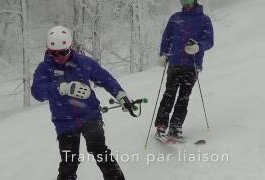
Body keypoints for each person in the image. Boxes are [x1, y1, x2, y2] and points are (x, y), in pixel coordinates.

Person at [31, 26, 132, 180]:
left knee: (100, 152)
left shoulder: (84, 62)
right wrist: (60, 88)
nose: (59, 56)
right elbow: (37, 92)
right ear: (48, 50)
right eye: (54, 53)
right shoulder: (44, 68)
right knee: (69, 162)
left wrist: (120, 95)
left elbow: (105, 79)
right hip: (64, 122)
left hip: (90, 116)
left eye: (63, 52)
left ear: (70, 47)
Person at [155, 0, 214, 141]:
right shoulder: (175, 18)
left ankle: (176, 127)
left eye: (187, 0)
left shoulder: (204, 20)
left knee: (184, 96)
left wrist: (199, 46)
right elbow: (167, 37)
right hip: (174, 62)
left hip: (192, 65)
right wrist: (163, 54)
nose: (184, 3)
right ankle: (161, 126)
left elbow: (209, 41)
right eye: (182, 0)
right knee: (169, 93)